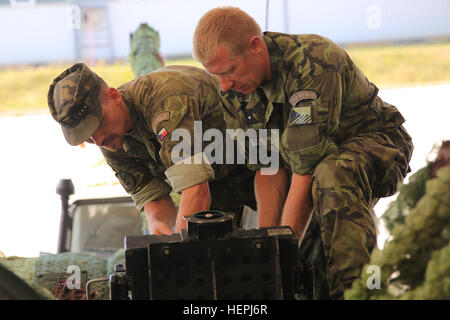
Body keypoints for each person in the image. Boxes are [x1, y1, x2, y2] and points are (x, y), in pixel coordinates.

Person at [192, 6, 413, 299]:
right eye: (216, 75)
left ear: (255, 47)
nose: (224, 85)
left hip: (378, 145)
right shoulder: (234, 91)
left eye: (229, 71)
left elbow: (306, 168)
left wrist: (283, 247)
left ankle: (357, 291)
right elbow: (268, 167)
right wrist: (266, 246)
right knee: (303, 253)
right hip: (312, 164)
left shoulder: (314, 60)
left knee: (331, 176)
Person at [48, 63, 256, 235]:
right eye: (88, 136)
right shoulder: (111, 138)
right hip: (222, 203)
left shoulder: (166, 98)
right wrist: (157, 224)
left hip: (261, 179)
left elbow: (197, 191)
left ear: (114, 97)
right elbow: (152, 197)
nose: (99, 140)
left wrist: (176, 253)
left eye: (98, 125)